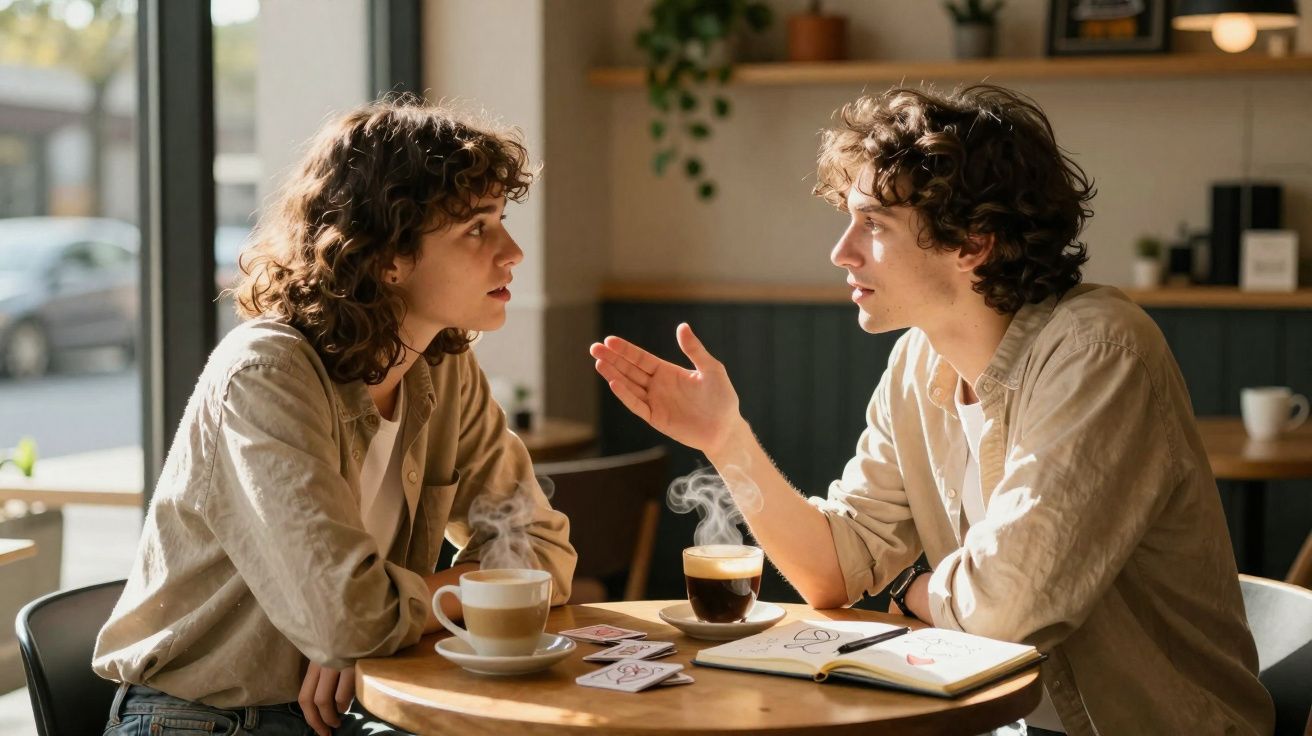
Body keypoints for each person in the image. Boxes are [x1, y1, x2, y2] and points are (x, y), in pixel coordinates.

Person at [591, 85, 1273, 735]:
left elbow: (1007, 607)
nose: (841, 252)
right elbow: (835, 571)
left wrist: (907, 587)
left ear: (972, 242)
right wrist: (724, 437)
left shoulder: (1098, 351)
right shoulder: (918, 363)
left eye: (873, 225)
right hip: (991, 721)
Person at [93, 97, 576, 736]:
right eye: (476, 227)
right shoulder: (265, 374)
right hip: (204, 719)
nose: (512, 250)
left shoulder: (443, 363)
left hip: (348, 702)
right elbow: (352, 618)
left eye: (501, 219)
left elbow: (545, 555)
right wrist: (387, 619)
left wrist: (377, 629)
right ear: (386, 255)